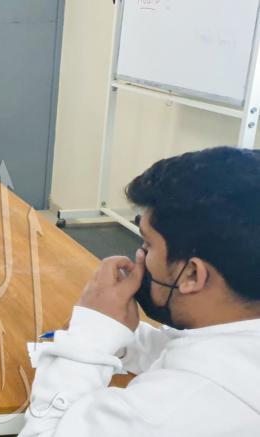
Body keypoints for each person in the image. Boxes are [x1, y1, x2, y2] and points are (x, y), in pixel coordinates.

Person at [21, 146, 260, 436]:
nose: (139, 256)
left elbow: (42, 432)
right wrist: (115, 334)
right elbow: (192, 350)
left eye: (148, 245)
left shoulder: (172, 409)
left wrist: (87, 340)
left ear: (193, 274)